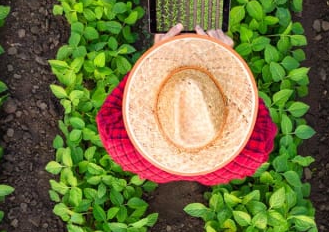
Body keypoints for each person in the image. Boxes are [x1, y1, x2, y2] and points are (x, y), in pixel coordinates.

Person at [96, 23, 277, 185]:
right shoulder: (252, 153)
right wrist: (228, 56)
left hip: (153, 171)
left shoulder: (119, 143)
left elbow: (107, 115)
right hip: (215, 175)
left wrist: (153, 57)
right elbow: (259, 117)